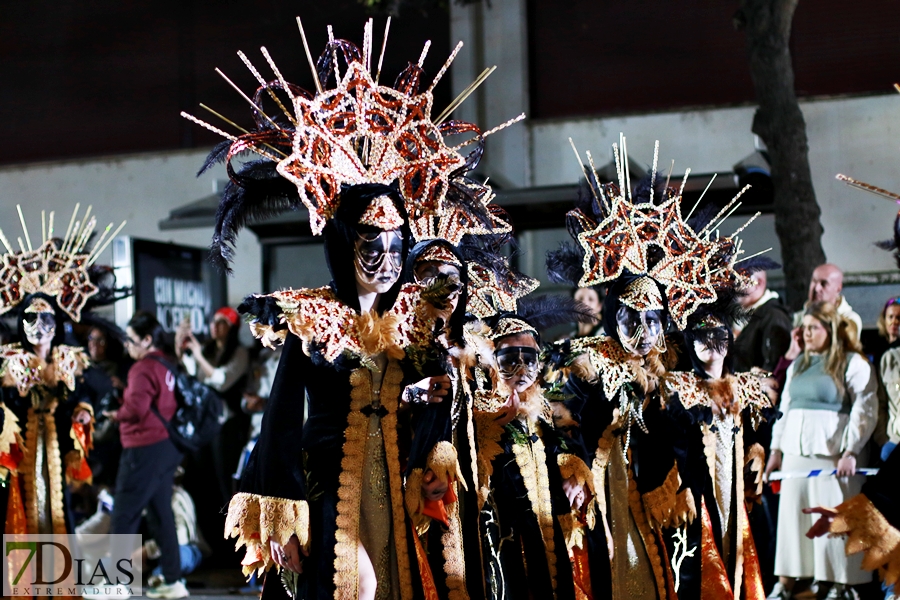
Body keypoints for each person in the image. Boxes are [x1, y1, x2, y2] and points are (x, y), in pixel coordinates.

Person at [188, 24, 517, 599]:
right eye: (371, 244)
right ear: (343, 245)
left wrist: (428, 401)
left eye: (396, 246)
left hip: (395, 479)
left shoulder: (418, 318)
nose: (387, 260)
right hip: (328, 481)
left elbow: (438, 398)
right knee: (354, 585)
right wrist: (281, 511)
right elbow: (284, 416)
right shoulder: (313, 319)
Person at [545, 150, 763, 599]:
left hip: (665, 506)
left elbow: (693, 434)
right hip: (606, 505)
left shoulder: (673, 369)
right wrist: (574, 467)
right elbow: (561, 425)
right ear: (611, 314)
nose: (643, 332)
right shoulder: (584, 364)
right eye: (631, 318)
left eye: (653, 319)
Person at [473, 300, 594, 599]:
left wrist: (570, 468)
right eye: (509, 359)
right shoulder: (481, 410)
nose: (522, 369)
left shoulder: (542, 409)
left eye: (530, 359)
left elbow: (558, 446)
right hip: (508, 539)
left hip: (547, 529)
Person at [662, 305, 778, 598]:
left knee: (736, 564)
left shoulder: (746, 387)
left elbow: (755, 432)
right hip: (696, 498)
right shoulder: (679, 388)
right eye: (702, 335)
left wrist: (755, 451)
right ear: (690, 341)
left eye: (719, 334)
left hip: (734, 499)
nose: (711, 341)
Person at [765, 301, 878, 600]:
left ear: (830, 330)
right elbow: (784, 409)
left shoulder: (853, 362)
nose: (806, 333)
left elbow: (865, 409)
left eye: (813, 327)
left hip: (833, 455)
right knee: (793, 518)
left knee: (833, 518)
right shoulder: (799, 363)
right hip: (796, 453)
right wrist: (775, 450)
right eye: (803, 327)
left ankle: (840, 583)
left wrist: (851, 450)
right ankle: (787, 582)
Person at [103, 311, 187, 599]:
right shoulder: (166, 364)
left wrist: (117, 414)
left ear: (147, 339)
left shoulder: (141, 369)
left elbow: (136, 410)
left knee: (124, 514)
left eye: (131, 339)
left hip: (143, 449)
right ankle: (173, 581)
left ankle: (116, 583)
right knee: (161, 515)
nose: (127, 345)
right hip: (166, 449)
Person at [176, 306, 249, 506]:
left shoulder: (240, 353)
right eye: (213, 321)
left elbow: (222, 380)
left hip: (226, 422)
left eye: (221, 322)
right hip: (204, 419)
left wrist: (198, 356)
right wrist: (182, 348)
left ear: (232, 327)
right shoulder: (207, 349)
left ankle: (231, 524)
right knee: (202, 475)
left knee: (223, 475)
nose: (215, 326)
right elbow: (194, 375)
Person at [733, 268, 793, 373]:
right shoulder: (740, 315)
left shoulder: (774, 317)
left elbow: (774, 368)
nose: (734, 286)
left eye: (740, 280)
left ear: (758, 283)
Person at [792, 264, 862, 342]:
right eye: (814, 281)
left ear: (838, 288)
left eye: (824, 283)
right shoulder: (796, 319)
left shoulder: (850, 319)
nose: (817, 288)